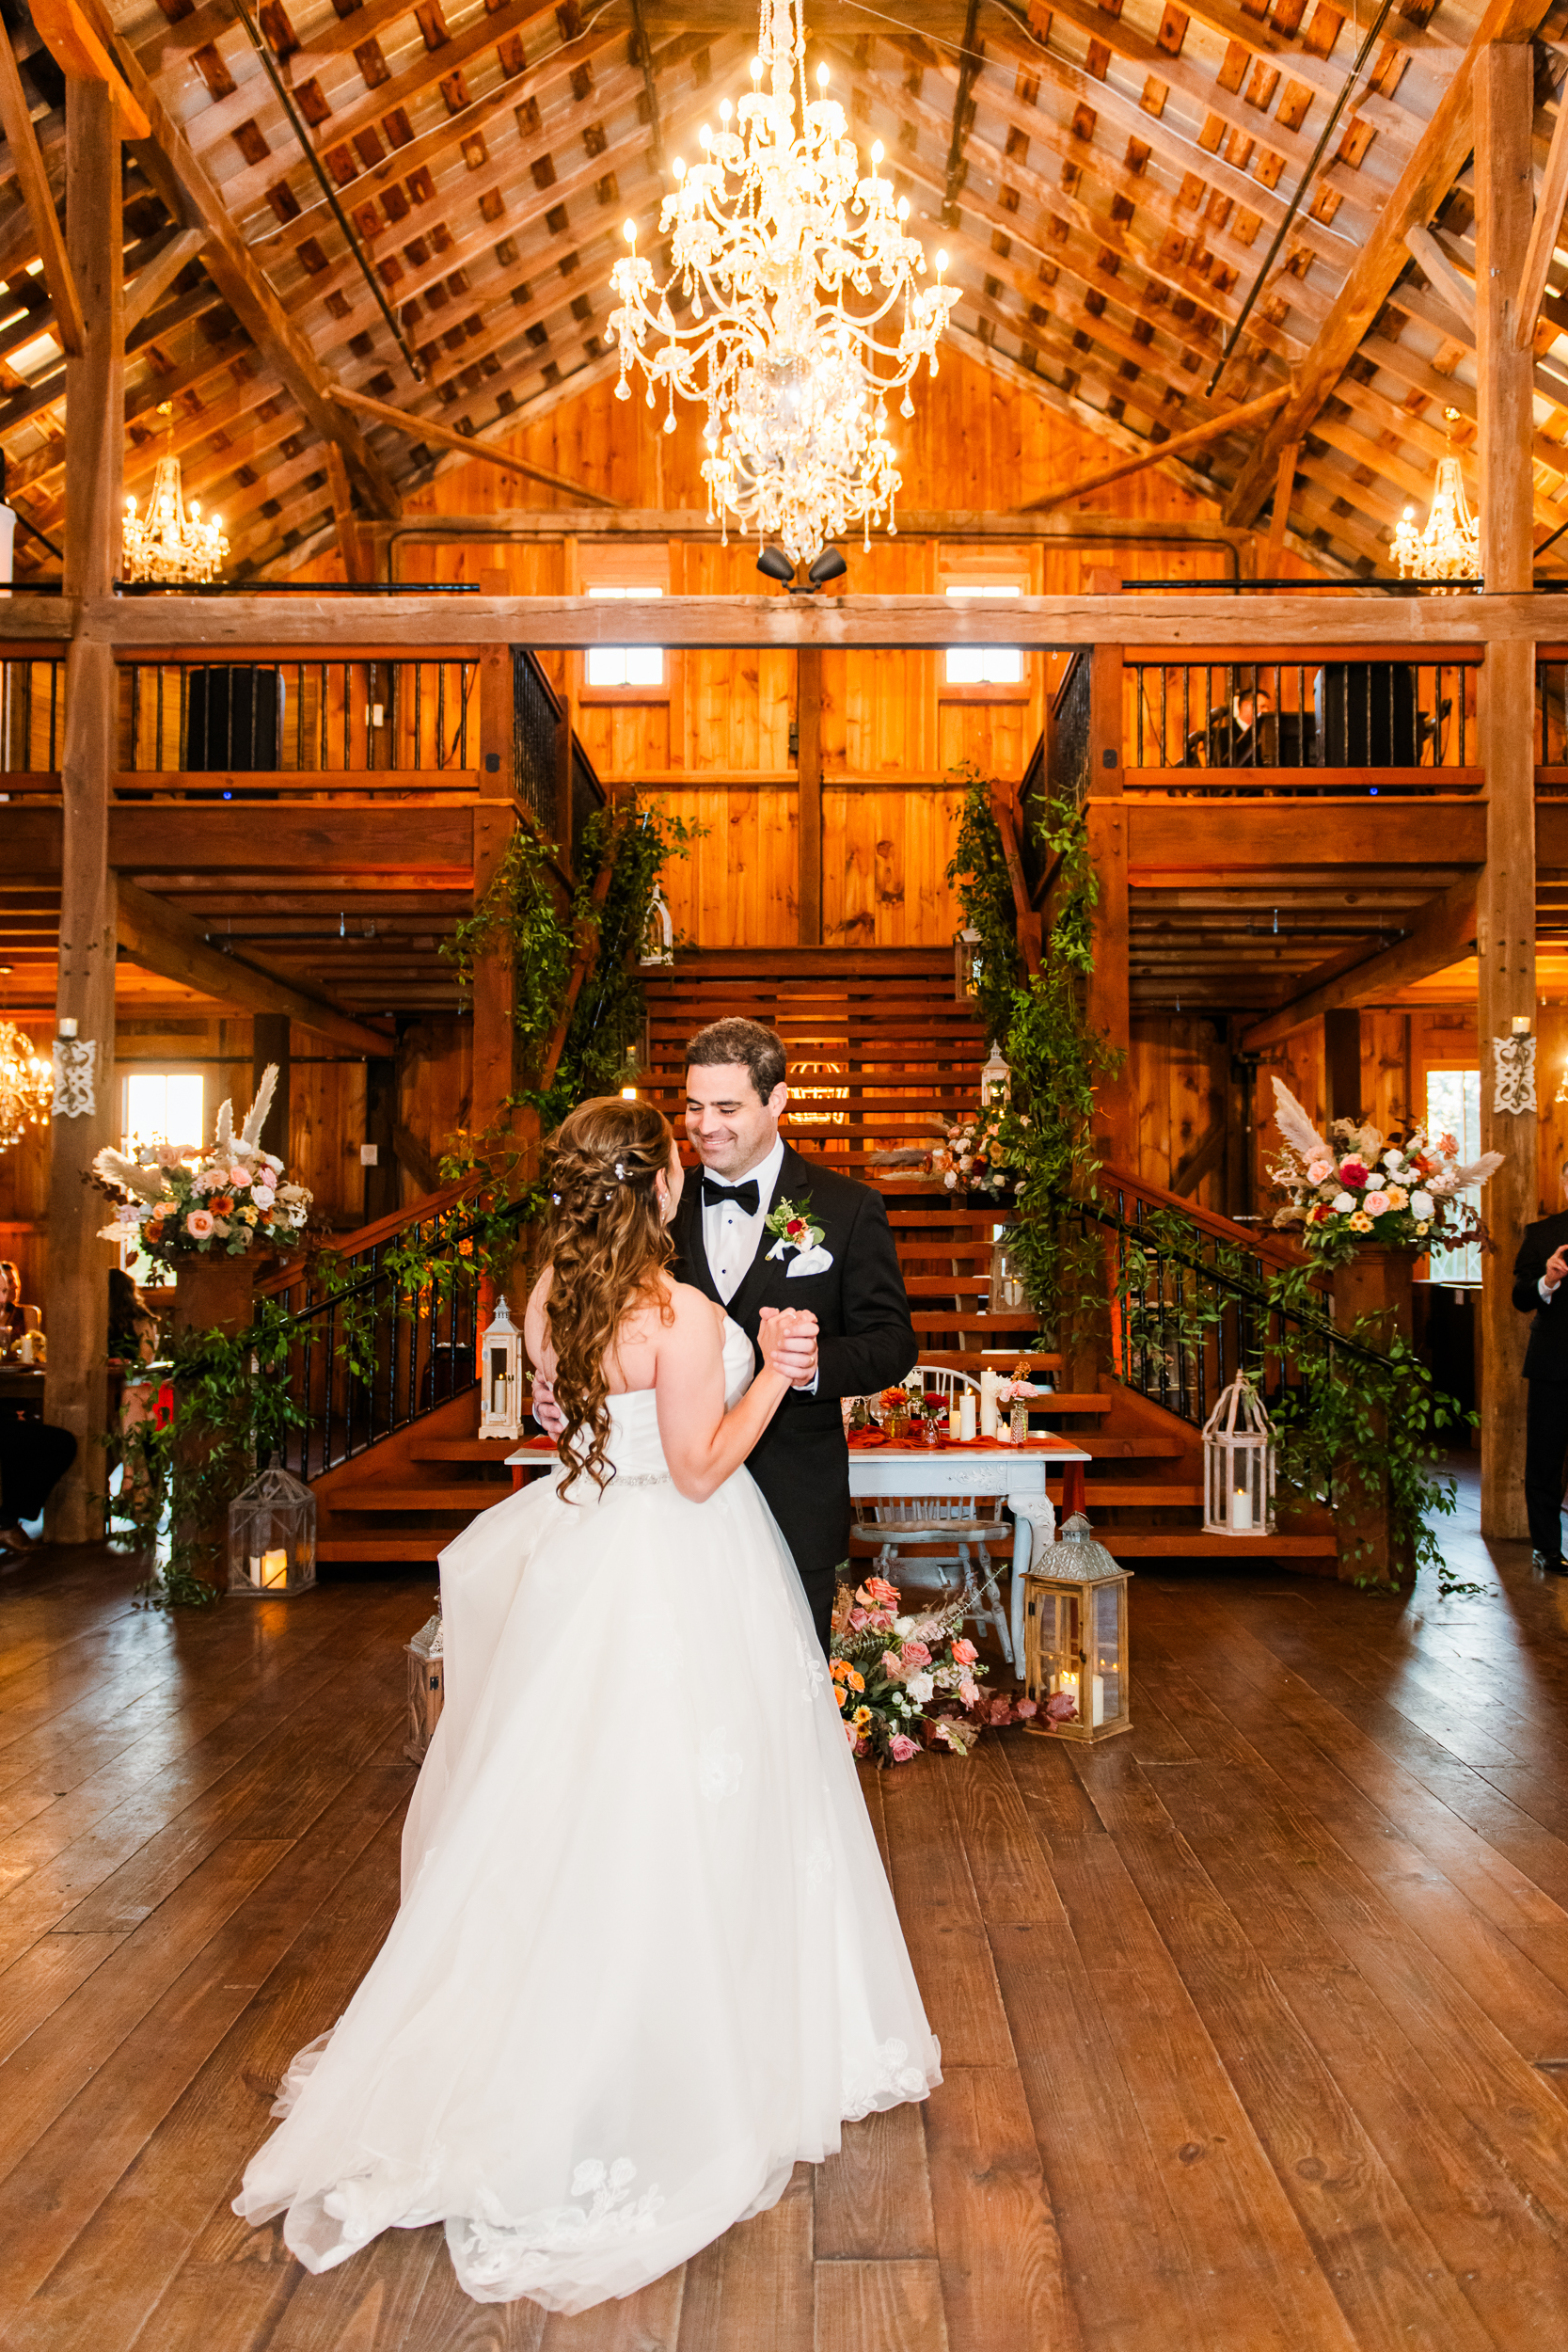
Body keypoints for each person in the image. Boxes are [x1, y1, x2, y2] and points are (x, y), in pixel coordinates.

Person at [232, 1095, 940, 2311]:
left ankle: (565, 2017)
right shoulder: (674, 1315)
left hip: (582, 1554)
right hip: (675, 1568)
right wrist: (771, 1373)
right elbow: (705, 1469)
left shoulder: (545, 1297)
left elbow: (566, 1424)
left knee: (567, 1809)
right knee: (686, 1808)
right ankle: (677, 2043)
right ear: (656, 1187)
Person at [1512, 1172, 1568, 1574]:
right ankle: (1547, 1548)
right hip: (1556, 1363)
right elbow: (1519, 1296)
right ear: (1563, 1182)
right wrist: (1547, 1281)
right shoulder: (1544, 1233)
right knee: (1547, 1460)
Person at [109, 1267, 161, 1516]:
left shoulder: (142, 1321)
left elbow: (146, 1359)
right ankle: (140, 1484)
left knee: (132, 1399)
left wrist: (125, 1364)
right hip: (115, 1392)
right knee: (131, 1404)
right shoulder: (98, 1322)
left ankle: (129, 1479)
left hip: (139, 1386)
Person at [0, 1260, 40, 1349]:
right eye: (9, 1282)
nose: (15, 1286)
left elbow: (34, 1352)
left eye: (15, 1281)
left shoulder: (28, 1314)